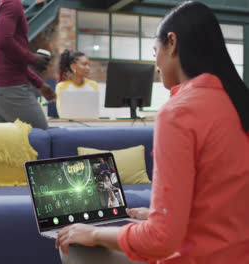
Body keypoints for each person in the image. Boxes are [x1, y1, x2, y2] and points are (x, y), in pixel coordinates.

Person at [55, 1, 249, 263]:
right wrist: (167, 215)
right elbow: (224, 201)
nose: (155, 62)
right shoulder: (236, 104)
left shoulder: (178, 112)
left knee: (75, 245)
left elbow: (160, 240)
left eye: (155, 50)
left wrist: (95, 234)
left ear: (172, 43)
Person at [0, 0, 56, 130]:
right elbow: (3, 41)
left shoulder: (0, 2)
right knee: (41, 139)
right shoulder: (12, 2)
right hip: (10, 90)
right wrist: (32, 58)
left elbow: (9, 59)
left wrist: (38, 83)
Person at [55, 49, 99, 115]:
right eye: (84, 64)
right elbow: (61, 113)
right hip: (68, 124)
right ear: (73, 67)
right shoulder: (62, 86)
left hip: (90, 123)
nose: (88, 68)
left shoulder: (93, 85)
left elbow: (95, 112)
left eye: (88, 65)